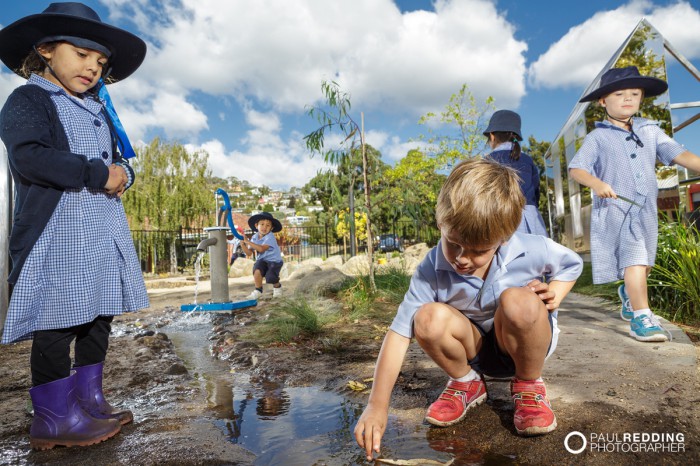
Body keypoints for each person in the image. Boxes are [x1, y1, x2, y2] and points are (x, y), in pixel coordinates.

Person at [354, 158, 583, 461]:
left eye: (478, 251)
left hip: (522, 348)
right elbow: (398, 336)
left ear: (504, 238)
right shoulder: (429, 269)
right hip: (475, 351)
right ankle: (466, 383)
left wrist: (554, 292)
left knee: (520, 301)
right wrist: (376, 406)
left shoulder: (530, 247)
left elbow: (572, 264)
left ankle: (529, 385)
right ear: (441, 224)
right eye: (453, 243)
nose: (462, 259)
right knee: (426, 317)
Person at [0, 2, 148, 450]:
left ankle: (90, 398)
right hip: (58, 231)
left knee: (98, 314)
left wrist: (123, 172)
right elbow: (29, 155)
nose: (93, 67)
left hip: (100, 229)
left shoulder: (96, 109)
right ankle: (53, 417)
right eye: (82, 54)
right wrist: (98, 174)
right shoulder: (30, 99)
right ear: (46, 49)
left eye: (101, 62)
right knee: (57, 319)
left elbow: (118, 158)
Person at [568, 66, 700, 342]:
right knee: (635, 259)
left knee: (644, 261)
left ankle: (630, 295)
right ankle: (642, 318)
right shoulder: (598, 137)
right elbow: (576, 169)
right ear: (603, 101)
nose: (628, 98)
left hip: (647, 211)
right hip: (617, 209)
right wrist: (597, 184)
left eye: (634, 93)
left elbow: (680, 155)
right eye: (619, 93)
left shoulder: (650, 131)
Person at [484, 109, 548, 237]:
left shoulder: (486, 161)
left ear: (492, 135)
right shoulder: (527, 160)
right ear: (516, 136)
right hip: (529, 217)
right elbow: (536, 192)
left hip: (498, 218)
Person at [241, 212, 284, 299]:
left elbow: (261, 249)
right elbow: (249, 253)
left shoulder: (270, 237)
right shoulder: (254, 237)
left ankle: (277, 287)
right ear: (256, 225)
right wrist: (243, 244)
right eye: (262, 224)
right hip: (262, 261)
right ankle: (258, 290)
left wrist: (248, 242)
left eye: (268, 225)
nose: (264, 227)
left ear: (271, 228)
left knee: (271, 277)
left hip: (274, 261)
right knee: (257, 270)